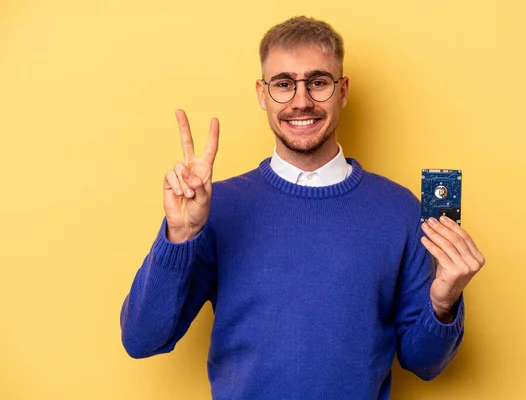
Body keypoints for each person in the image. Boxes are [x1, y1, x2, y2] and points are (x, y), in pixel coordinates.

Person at [120, 16, 485, 400]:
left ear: (342, 90)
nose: (301, 101)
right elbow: (142, 340)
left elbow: (424, 364)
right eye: (283, 84)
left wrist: (443, 303)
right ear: (262, 94)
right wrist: (178, 238)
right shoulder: (216, 207)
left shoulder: (399, 210)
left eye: (318, 82)